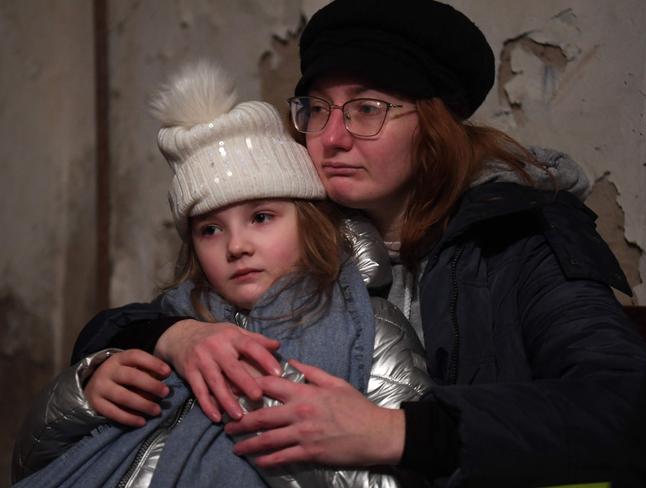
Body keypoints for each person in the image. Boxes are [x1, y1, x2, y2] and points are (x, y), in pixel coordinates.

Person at [26, 0, 646, 486]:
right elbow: (164, 308)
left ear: (433, 125)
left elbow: (625, 409)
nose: (331, 138)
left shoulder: (522, 237)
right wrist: (172, 337)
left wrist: (398, 432)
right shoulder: (306, 223)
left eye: (367, 109)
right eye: (318, 109)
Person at [11, 61, 433, 487]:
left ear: (308, 223)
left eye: (262, 217)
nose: (236, 246)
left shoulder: (371, 328)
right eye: (210, 229)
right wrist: (82, 397)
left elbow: (400, 476)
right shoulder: (168, 329)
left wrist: (264, 395)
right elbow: (29, 462)